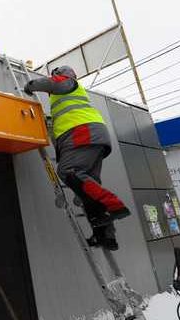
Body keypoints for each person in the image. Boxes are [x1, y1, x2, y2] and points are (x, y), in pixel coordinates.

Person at [24, 65, 130, 250]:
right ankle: (105, 236)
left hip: (83, 133)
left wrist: (30, 86)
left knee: (68, 172)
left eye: (54, 75)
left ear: (60, 75)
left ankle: (114, 205)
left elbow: (53, 83)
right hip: (91, 136)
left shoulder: (68, 83)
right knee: (88, 192)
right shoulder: (64, 100)